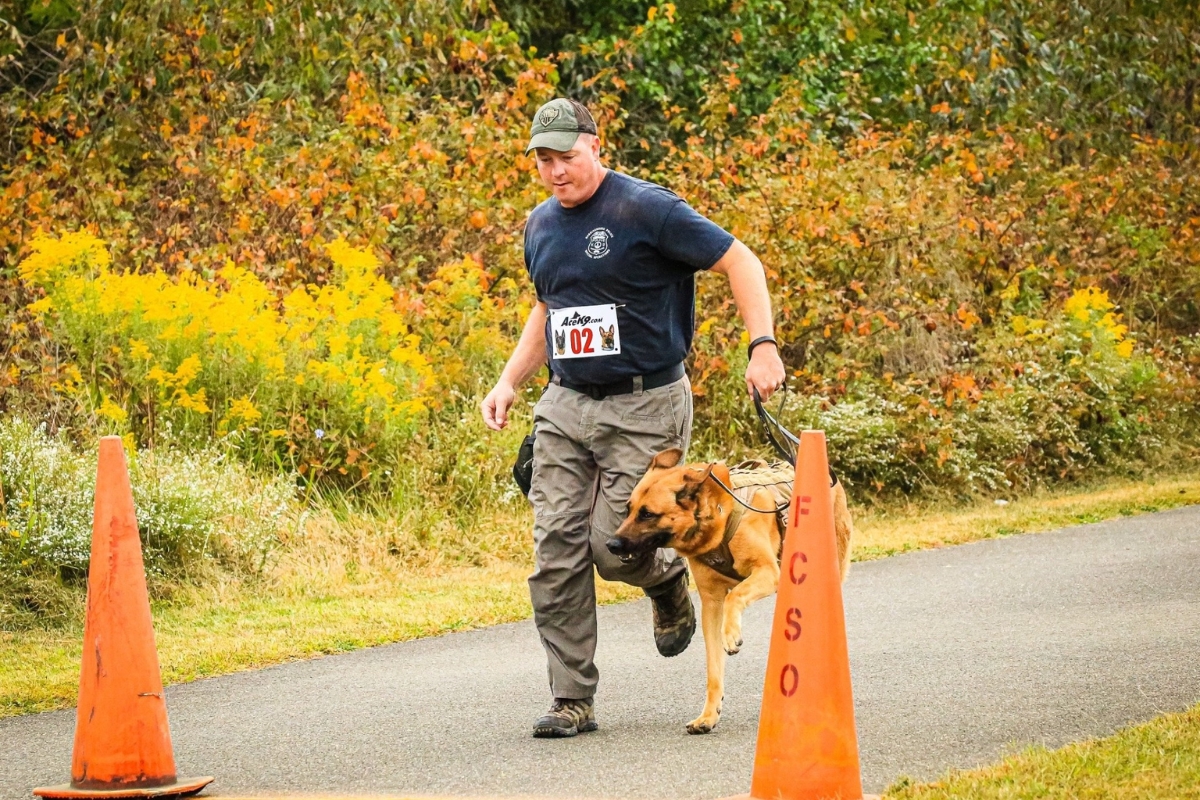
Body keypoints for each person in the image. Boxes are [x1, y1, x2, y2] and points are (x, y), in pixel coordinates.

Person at [481, 98, 786, 737]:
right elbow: (550, 310)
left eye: (566, 155)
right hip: (567, 402)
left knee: (614, 549)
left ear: (597, 146)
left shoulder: (647, 209)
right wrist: (510, 381)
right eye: (543, 159)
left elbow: (741, 261)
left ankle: (667, 578)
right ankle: (572, 700)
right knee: (555, 549)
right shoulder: (539, 225)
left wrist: (762, 345)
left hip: (645, 403)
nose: (556, 170)